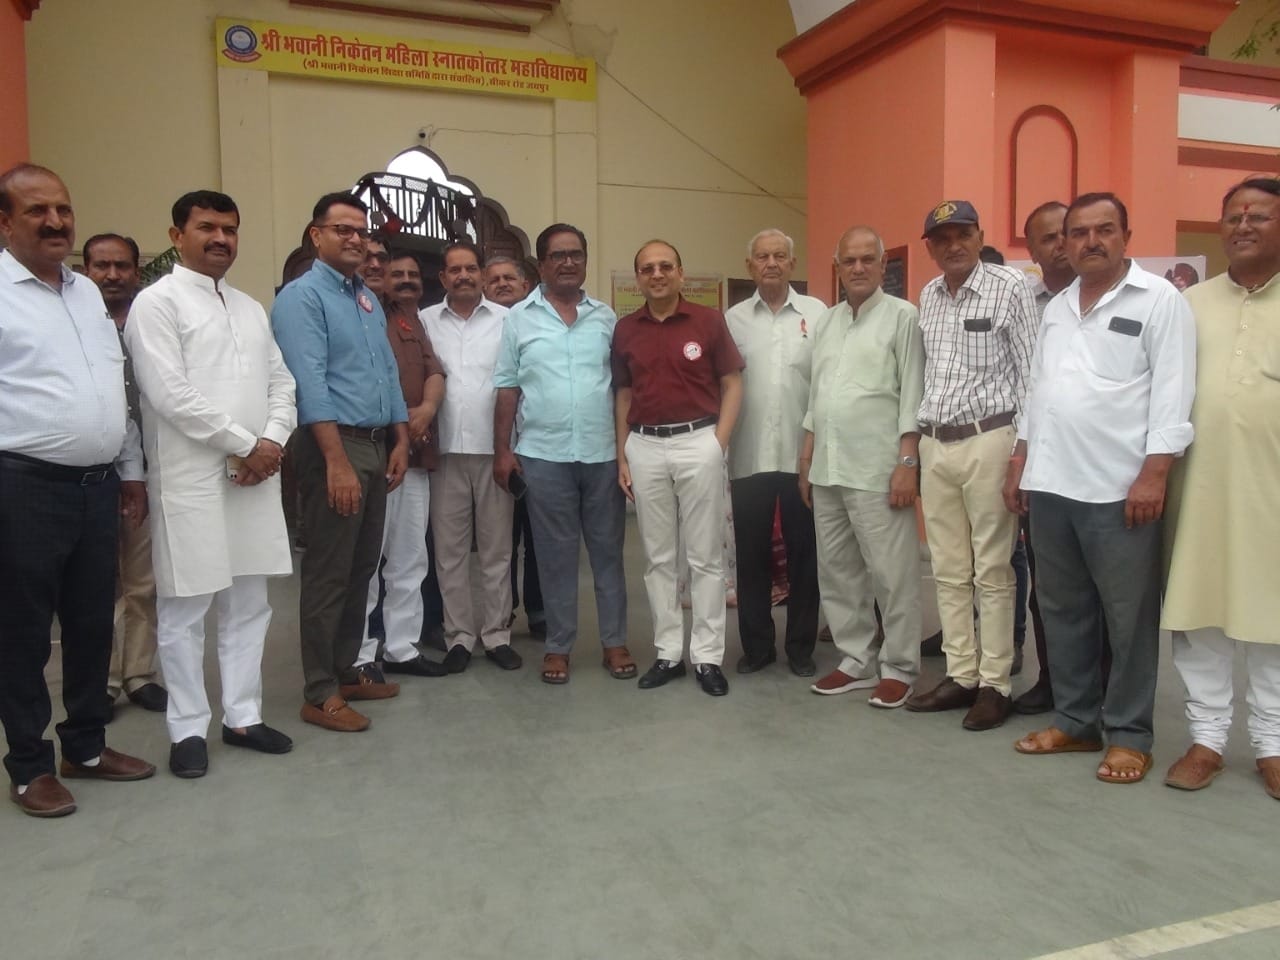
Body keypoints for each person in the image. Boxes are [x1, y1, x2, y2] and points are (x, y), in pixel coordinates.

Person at [1008, 192, 1195, 784]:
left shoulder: (1160, 300)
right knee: (1063, 611)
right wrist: (1022, 458)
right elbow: (1038, 390)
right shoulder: (1059, 307)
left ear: (1125, 236)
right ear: (1065, 243)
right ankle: (1076, 721)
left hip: (1119, 490)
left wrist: (1154, 473)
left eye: (1104, 229)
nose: (1091, 241)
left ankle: (1131, 734)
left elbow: (1173, 391)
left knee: (1127, 619)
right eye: (1079, 232)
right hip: (1051, 485)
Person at [0, 163, 155, 818]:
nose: (56, 221)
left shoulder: (86, 292)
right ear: (5, 222)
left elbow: (111, 388)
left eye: (62, 209)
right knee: (24, 633)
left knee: (93, 624)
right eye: (38, 211)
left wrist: (129, 469)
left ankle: (86, 748)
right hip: (23, 487)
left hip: (98, 488)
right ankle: (30, 766)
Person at [126, 190, 298, 777]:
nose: (221, 238)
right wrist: (248, 444)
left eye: (230, 228)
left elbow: (282, 383)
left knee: (250, 603)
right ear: (177, 236)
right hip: (192, 480)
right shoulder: (157, 303)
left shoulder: (249, 308)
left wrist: (271, 440)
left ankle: (243, 716)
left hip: (254, 476)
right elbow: (168, 393)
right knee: (185, 607)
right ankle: (187, 729)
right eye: (207, 227)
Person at [272, 192, 410, 733]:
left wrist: (400, 439)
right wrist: (335, 461)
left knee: (361, 565)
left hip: (374, 443)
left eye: (361, 230)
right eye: (343, 230)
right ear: (317, 236)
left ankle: (346, 669)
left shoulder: (366, 298)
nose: (356, 239)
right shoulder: (301, 298)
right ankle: (319, 691)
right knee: (329, 571)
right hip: (334, 445)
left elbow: (388, 374)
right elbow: (308, 383)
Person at [1162, 178, 1280, 800]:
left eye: (1258, 216)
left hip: (1271, 494)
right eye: (1233, 216)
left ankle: (1273, 745)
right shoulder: (1189, 304)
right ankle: (1206, 740)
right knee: (1198, 612)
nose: (1242, 226)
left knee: (1271, 619)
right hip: (1199, 492)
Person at [904, 200, 1036, 731]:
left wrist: (1022, 453)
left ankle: (995, 684)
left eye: (963, 234)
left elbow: (1031, 375)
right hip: (937, 444)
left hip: (990, 440)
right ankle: (960, 674)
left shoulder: (1011, 287)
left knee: (994, 570)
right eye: (942, 238)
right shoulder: (928, 296)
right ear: (930, 248)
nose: (953, 245)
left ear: (980, 237)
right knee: (948, 568)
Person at [493, 224, 630, 684]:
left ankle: (615, 642)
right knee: (554, 557)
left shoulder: (606, 318)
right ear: (541, 264)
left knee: (608, 553)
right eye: (558, 255)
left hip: (602, 454)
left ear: (585, 260)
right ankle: (558, 646)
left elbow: (623, 389)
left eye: (576, 254)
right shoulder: (519, 319)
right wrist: (502, 451)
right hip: (543, 455)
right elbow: (507, 387)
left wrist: (626, 451)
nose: (568, 262)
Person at [799, 227, 925, 706]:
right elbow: (818, 394)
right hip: (828, 467)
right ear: (837, 267)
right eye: (848, 261)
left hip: (878, 468)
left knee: (892, 574)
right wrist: (807, 456)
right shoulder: (827, 322)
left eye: (867, 259)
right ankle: (856, 659)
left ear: (882, 265)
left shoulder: (902, 317)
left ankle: (900, 667)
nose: (857, 268)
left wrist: (908, 461)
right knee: (837, 571)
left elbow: (912, 392)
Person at [613, 240, 744, 696]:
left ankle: (707, 657)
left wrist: (716, 443)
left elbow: (732, 383)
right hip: (645, 445)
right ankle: (668, 652)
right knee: (658, 558)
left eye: (665, 266)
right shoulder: (626, 329)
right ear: (638, 279)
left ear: (681, 273)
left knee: (705, 556)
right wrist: (622, 455)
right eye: (647, 268)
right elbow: (623, 394)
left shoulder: (708, 321)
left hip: (698, 441)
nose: (657, 274)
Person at [724, 228, 824, 677]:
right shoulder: (732, 320)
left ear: (792, 263)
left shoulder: (819, 315)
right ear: (749, 266)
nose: (771, 263)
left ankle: (801, 648)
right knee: (752, 558)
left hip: (804, 457)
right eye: (762, 257)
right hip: (748, 456)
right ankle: (758, 647)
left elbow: (825, 382)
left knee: (806, 556)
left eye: (779, 256)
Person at [421, 241, 521, 673]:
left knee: (498, 551)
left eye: (470, 268)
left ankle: (497, 635)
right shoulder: (425, 321)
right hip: (444, 452)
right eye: (455, 270)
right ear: (443, 278)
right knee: (450, 552)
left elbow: (517, 382)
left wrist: (511, 448)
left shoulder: (508, 320)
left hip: (495, 450)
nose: (463, 276)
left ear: (481, 274)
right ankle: (459, 636)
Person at [83, 232, 167, 717]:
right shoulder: (76, 324)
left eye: (122, 266)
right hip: (88, 470)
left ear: (137, 271)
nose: (112, 275)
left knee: (142, 580)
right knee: (97, 583)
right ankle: (104, 679)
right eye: (102, 266)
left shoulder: (150, 323)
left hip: (147, 468)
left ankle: (138, 673)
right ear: (86, 270)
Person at [354, 253, 448, 679]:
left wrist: (427, 408)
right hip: (370, 451)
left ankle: (401, 648)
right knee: (366, 561)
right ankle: (359, 654)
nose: (376, 267)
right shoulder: (348, 310)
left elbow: (433, 370)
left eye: (383, 260)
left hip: (415, 453)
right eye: (371, 261)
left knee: (410, 556)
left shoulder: (408, 318)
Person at [1011, 200, 1075, 715]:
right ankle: (1054, 680)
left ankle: (1103, 692)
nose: (1060, 245)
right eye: (1047, 239)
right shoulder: (1024, 303)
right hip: (1037, 464)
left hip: (1100, 468)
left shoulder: (1119, 298)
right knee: (1045, 587)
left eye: (1064, 234)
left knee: (1101, 592)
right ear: (1031, 250)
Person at [485, 255, 544, 638]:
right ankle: (502, 610)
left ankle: (539, 610)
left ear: (526, 286)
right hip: (493, 449)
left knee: (538, 536)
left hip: (538, 448)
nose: (503, 284)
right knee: (501, 538)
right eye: (494, 280)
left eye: (510, 278)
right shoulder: (480, 327)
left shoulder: (540, 323)